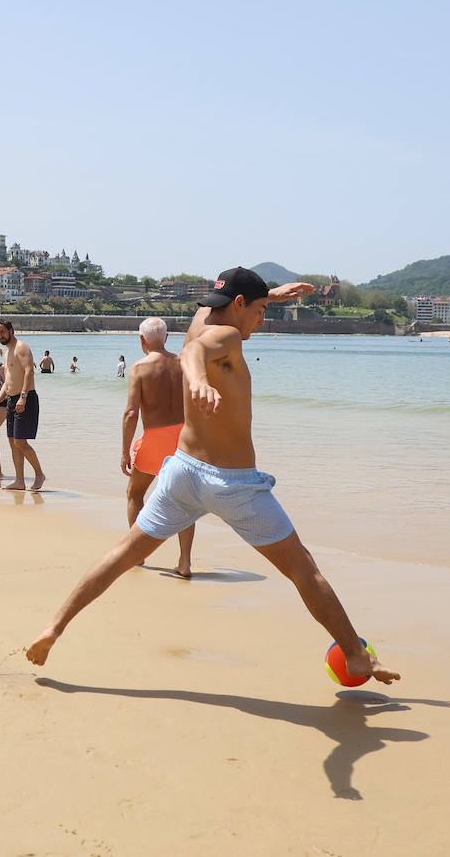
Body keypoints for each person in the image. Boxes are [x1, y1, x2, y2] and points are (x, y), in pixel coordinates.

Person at [25, 270, 400, 686]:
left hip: (183, 472)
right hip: (233, 484)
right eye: (259, 311)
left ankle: (53, 628)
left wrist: (269, 296)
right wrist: (200, 380)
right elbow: (196, 354)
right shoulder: (228, 337)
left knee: (124, 554)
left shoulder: (202, 320)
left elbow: (206, 322)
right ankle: (355, 654)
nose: (262, 319)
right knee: (303, 569)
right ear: (238, 305)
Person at [122, 317, 195, 578]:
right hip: (185, 436)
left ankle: (138, 554)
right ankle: (185, 562)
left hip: (155, 437)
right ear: (166, 338)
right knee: (186, 500)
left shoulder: (139, 368)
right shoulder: (184, 364)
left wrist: (124, 450)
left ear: (141, 339)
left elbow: (131, 413)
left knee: (135, 493)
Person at [0, 320, 46, 491]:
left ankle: (39, 474)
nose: (0, 336)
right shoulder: (7, 354)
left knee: (20, 442)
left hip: (26, 398)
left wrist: (23, 396)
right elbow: (7, 384)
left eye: (2, 332)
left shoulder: (21, 347)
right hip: (11, 400)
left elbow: (29, 370)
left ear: (11, 331)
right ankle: (19, 481)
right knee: (12, 442)